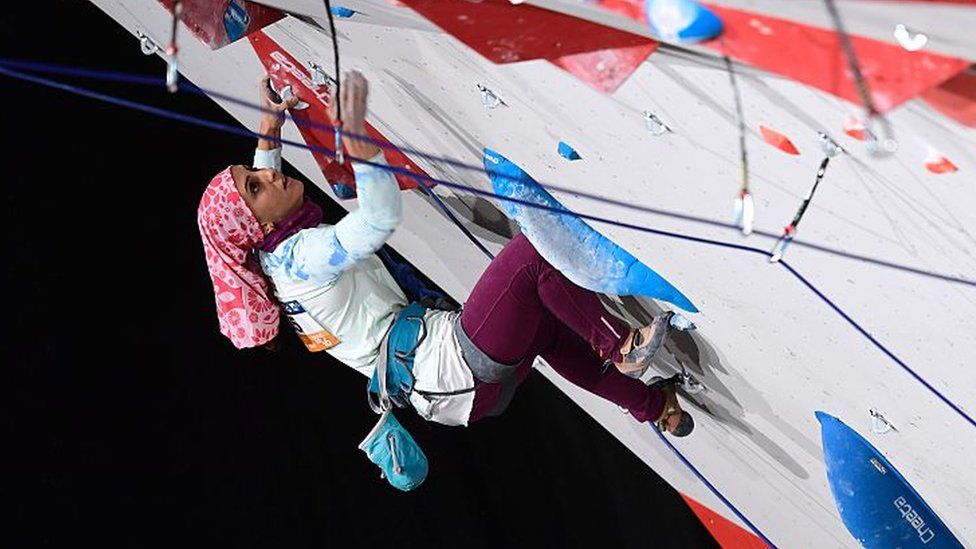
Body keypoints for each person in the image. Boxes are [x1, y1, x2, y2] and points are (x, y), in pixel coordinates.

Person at [197, 71, 686, 434]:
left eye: (254, 172)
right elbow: (376, 222)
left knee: (550, 331)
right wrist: (357, 138)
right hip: (452, 365)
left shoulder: (269, 256)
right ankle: (618, 345)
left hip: (453, 390)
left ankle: (656, 409)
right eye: (258, 186)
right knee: (531, 256)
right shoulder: (301, 256)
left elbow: (259, 192)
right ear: (258, 224)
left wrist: (269, 128)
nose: (271, 176)